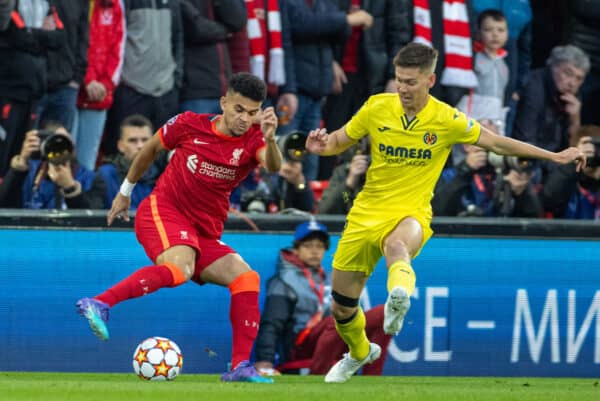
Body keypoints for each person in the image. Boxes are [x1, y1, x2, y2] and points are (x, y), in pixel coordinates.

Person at [303, 42, 586, 383]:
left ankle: (399, 299)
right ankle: (361, 352)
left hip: (411, 212)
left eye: (410, 81)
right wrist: (320, 144)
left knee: (397, 247)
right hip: (366, 212)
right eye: (399, 80)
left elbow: (496, 142)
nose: (403, 89)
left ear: (430, 80)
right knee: (342, 308)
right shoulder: (377, 107)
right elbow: (336, 142)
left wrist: (555, 156)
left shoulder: (447, 118)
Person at [76, 73, 283, 383]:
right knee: (180, 269)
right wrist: (125, 192)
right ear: (224, 103)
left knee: (246, 278)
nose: (245, 118)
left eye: (253, 112)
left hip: (203, 232)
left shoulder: (254, 138)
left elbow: (273, 165)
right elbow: (149, 150)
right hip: (164, 210)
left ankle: (239, 366)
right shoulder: (189, 124)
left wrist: (269, 138)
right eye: (239, 110)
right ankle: (100, 303)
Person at [254, 220, 392, 376]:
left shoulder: (330, 278)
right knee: (339, 318)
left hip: (334, 338)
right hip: (301, 344)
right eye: (308, 246)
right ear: (296, 249)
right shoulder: (285, 280)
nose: (314, 251)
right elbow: (272, 323)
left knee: (383, 313)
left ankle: (371, 379)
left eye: (319, 246)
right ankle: (319, 375)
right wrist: (265, 361)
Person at [0, 121, 95, 209]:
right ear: (42, 145)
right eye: (54, 142)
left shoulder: (89, 178)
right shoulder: (29, 172)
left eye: (64, 141)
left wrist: (70, 187)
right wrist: (20, 163)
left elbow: (92, 222)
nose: (59, 149)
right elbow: (3, 205)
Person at [85, 115, 159, 210]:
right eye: (133, 141)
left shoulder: (164, 176)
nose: (140, 146)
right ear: (120, 146)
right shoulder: (105, 176)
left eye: (145, 140)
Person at [542, 125, 600, 219]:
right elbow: (549, 201)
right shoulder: (567, 178)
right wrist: (575, 162)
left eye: (597, 147)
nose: (592, 152)